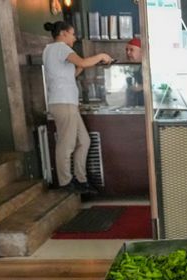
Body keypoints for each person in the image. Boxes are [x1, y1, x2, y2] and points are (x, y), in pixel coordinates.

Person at [43, 21, 113, 194]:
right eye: (73, 33)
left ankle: (81, 179)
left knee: (84, 141)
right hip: (63, 103)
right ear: (64, 33)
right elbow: (82, 61)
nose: (74, 37)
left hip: (66, 103)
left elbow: (71, 73)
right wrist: (101, 55)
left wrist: (85, 64)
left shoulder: (49, 50)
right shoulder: (60, 47)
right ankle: (66, 183)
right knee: (66, 145)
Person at [125, 38, 144, 107]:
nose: (128, 53)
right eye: (126, 50)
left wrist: (142, 87)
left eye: (131, 50)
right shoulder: (132, 66)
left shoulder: (147, 67)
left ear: (141, 52)